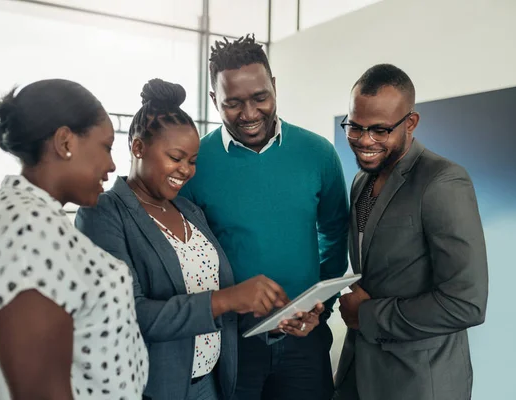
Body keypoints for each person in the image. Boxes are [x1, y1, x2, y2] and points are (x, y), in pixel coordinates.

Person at [75, 78, 306, 400]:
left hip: (211, 384)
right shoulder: (102, 214)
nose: (185, 170)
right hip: (153, 389)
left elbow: (217, 305)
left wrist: (272, 319)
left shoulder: (189, 211)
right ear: (138, 147)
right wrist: (227, 298)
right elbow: (129, 314)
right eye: (176, 157)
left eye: (192, 161)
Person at [179, 35, 350, 400]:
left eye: (260, 97)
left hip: (306, 339)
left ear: (274, 86)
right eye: (233, 103)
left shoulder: (318, 153)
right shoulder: (195, 164)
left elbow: (335, 233)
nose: (250, 113)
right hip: (229, 344)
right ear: (214, 100)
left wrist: (321, 306)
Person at [0, 79, 148, 400]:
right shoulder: (26, 229)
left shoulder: (34, 218)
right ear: (64, 142)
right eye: (105, 147)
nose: (112, 164)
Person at [333, 64, 488, 400]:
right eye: (355, 127)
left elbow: (465, 304)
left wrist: (367, 316)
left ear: (411, 124)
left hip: (419, 383)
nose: (364, 141)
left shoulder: (443, 181)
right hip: (359, 372)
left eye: (379, 130)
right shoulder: (362, 180)